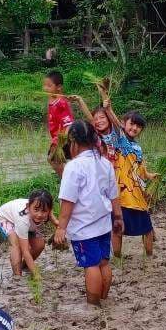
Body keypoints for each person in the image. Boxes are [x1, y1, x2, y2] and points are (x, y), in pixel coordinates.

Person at [76, 87, 156, 257]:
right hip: (121, 193)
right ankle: (118, 257)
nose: (134, 128)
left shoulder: (137, 147)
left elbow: (139, 168)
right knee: (118, 227)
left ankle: (149, 256)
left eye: (138, 126)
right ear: (124, 123)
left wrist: (149, 175)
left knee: (147, 228)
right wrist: (106, 103)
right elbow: (103, 120)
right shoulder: (119, 139)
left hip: (138, 193)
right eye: (131, 124)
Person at [55, 120, 123, 306]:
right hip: (104, 225)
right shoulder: (104, 162)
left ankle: (94, 304)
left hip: (83, 228)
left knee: (91, 265)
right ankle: (104, 299)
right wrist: (118, 217)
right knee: (103, 263)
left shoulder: (74, 166)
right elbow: (113, 194)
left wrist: (61, 228)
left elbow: (68, 201)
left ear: (73, 142)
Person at [0, 189, 53, 277]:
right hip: (6, 218)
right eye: (36, 209)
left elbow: (51, 216)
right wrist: (37, 276)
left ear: (49, 210)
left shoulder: (43, 211)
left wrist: (58, 226)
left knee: (40, 245)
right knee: (17, 245)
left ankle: (24, 266)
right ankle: (17, 276)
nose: (39, 215)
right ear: (28, 207)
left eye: (44, 211)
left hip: (26, 221)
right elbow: (25, 251)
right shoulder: (23, 221)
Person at [43, 70, 75, 177]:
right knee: (54, 160)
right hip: (57, 138)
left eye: (49, 86)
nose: (45, 88)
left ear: (59, 87)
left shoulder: (61, 103)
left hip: (64, 139)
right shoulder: (53, 100)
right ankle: (67, 179)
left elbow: (68, 124)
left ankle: (67, 179)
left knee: (52, 159)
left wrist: (59, 144)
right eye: (44, 85)